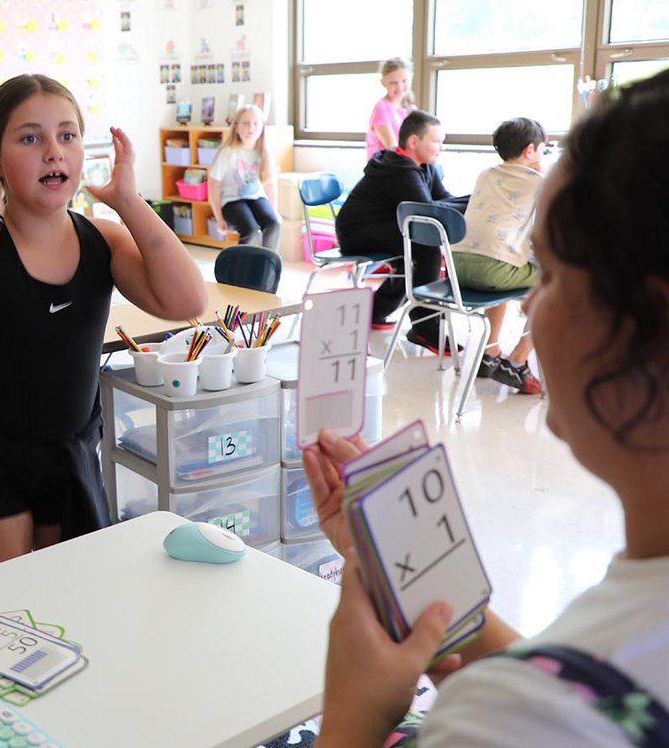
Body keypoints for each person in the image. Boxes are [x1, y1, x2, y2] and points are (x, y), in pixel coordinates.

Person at [305, 69, 669, 746]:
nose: (530, 304)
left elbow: (544, 708)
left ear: (645, 322)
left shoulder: (510, 722)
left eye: (550, 273)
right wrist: (395, 558)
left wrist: (353, 713)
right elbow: (575, 683)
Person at [0, 74, 207, 582]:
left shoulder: (102, 240)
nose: (53, 152)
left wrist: (128, 202)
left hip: (68, 450)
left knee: (69, 595)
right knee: (4, 606)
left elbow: (185, 300)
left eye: (67, 135)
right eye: (30, 138)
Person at [335, 109, 468, 349]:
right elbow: (426, 211)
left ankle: (373, 311)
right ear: (414, 142)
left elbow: (443, 199)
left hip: (383, 227)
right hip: (357, 232)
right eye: (437, 141)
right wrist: (470, 202)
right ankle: (424, 328)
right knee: (425, 246)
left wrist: (469, 202)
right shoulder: (399, 170)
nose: (442, 147)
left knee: (417, 247)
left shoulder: (425, 166)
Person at [452, 117, 547, 395]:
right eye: (542, 149)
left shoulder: (486, 174)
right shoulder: (538, 181)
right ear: (530, 151)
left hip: (456, 268)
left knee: (502, 262)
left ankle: (489, 351)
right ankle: (517, 360)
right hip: (493, 271)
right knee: (559, 281)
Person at [207, 104, 281, 251]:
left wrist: (274, 211)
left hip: (256, 198)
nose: (251, 128)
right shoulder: (227, 153)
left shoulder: (266, 152)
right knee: (251, 231)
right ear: (236, 127)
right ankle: (244, 271)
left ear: (262, 127)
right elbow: (213, 186)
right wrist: (219, 217)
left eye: (255, 124)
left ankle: (269, 270)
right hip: (232, 201)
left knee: (274, 224)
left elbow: (270, 184)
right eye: (245, 123)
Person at [366, 57, 415, 160]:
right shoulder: (382, 108)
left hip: (402, 165)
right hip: (385, 169)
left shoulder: (411, 110)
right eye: (393, 82)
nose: (400, 87)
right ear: (383, 83)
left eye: (404, 81)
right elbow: (393, 149)